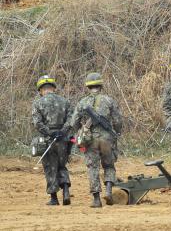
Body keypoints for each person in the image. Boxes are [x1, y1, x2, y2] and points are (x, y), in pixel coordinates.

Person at [71, 72, 123, 208]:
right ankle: (109, 191)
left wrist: (81, 130)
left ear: (88, 87)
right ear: (101, 85)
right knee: (109, 166)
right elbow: (118, 120)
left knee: (93, 168)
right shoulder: (109, 100)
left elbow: (74, 122)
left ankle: (96, 199)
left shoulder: (82, 102)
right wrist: (117, 131)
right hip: (106, 140)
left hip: (90, 140)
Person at [31, 75, 73, 205]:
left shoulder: (38, 103)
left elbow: (37, 123)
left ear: (41, 90)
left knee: (50, 168)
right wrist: (62, 132)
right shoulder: (65, 101)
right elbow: (71, 120)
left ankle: (54, 199)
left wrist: (50, 132)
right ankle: (66, 191)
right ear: (53, 88)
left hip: (48, 140)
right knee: (62, 165)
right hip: (63, 139)